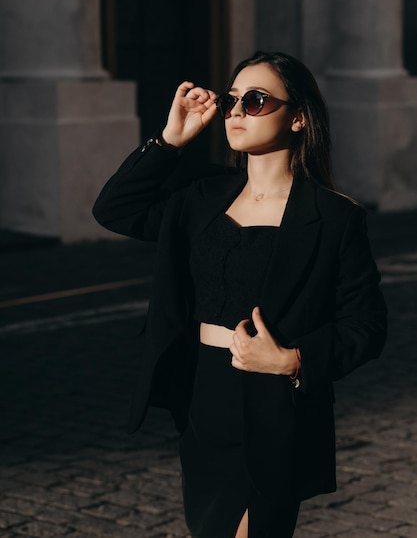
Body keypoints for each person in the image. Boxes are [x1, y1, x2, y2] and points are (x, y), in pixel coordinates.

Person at [93, 51, 387, 538]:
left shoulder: (334, 217)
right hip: (201, 396)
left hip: (277, 405)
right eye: (232, 100)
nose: (234, 111)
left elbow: (367, 325)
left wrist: (293, 360)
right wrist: (170, 142)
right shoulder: (199, 197)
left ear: (299, 117)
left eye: (255, 101)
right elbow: (114, 210)